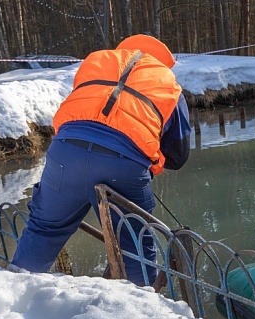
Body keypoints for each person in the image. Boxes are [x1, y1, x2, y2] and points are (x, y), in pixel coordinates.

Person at [12, 34, 191, 286]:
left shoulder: (95, 64)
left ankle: (11, 296)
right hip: (123, 163)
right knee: (133, 247)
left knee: (44, 229)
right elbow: (178, 156)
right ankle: (139, 314)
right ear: (162, 63)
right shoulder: (168, 85)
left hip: (65, 151)